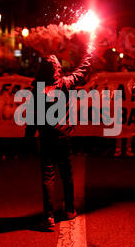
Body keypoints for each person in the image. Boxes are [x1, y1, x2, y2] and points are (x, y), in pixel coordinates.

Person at [25, 41, 94, 229]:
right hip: (63, 136)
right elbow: (83, 69)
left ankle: (49, 216)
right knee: (67, 174)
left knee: (48, 176)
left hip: (46, 136)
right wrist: (90, 48)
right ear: (56, 69)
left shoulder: (37, 89)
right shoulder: (65, 83)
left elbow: (32, 116)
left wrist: (28, 137)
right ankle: (69, 210)